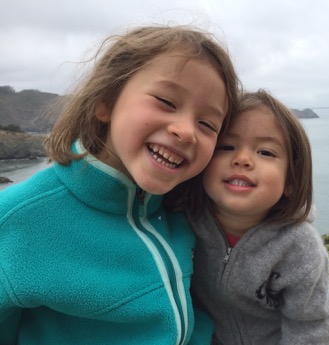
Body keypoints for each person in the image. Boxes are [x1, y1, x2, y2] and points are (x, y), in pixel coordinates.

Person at [0, 25, 240, 344]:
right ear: (106, 102)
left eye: (207, 124)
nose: (186, 131)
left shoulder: (181, 210)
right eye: (167, 101)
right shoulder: (18, 219)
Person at [186, 89, 329, 344]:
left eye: (266, 152)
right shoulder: (185, 219)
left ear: (291, 180)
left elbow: (312, 326)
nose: (243, 159)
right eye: (226, 146)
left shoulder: (299, 247)